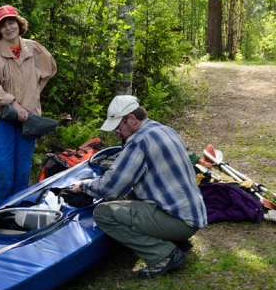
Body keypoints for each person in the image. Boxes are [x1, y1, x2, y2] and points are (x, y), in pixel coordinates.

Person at [70, 95, 207, 278]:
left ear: (132, 120)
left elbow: (110, 187)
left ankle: (164, 255)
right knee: (121, 199)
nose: (117, 133)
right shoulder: (164, 129)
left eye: (118, 128)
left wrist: (83, 186)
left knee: (103, 213)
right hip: (191, 214)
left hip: (180, 221)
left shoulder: (139, 141)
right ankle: (177, 241)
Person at [0, 5, 57, 208]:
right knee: (5, 168)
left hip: (28, 118)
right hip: (1, 116)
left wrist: (33, 92)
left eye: (11, 22)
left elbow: (49, 69)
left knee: (23, 168)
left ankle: (17, 214)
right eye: (3, 25)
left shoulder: (33, 47)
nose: (8, 28)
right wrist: (14, 103)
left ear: (18, 23)